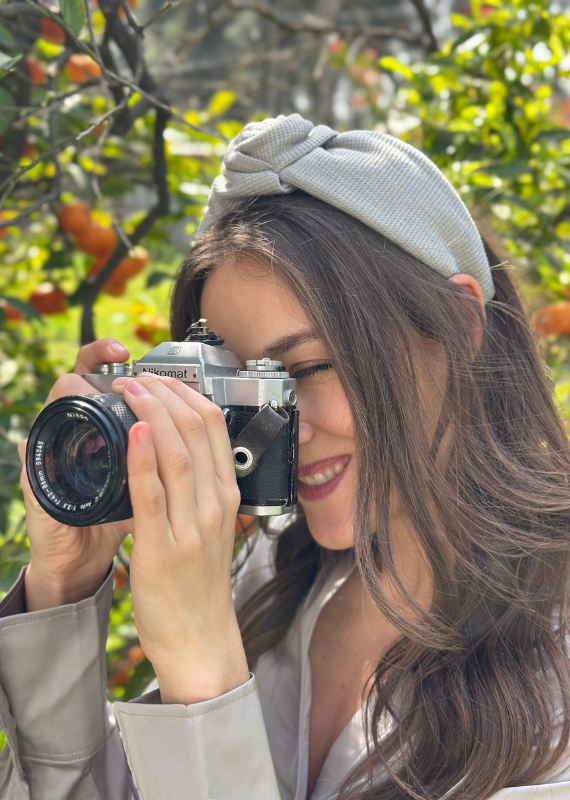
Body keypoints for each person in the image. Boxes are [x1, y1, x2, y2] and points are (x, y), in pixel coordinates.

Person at [1, 114, 570, 800]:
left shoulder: (553, 665)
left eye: (305, 369)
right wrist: (65, 584)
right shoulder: (273, 576)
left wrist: (203, 670)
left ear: (460, 327)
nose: (273, 431)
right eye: (241, 393)